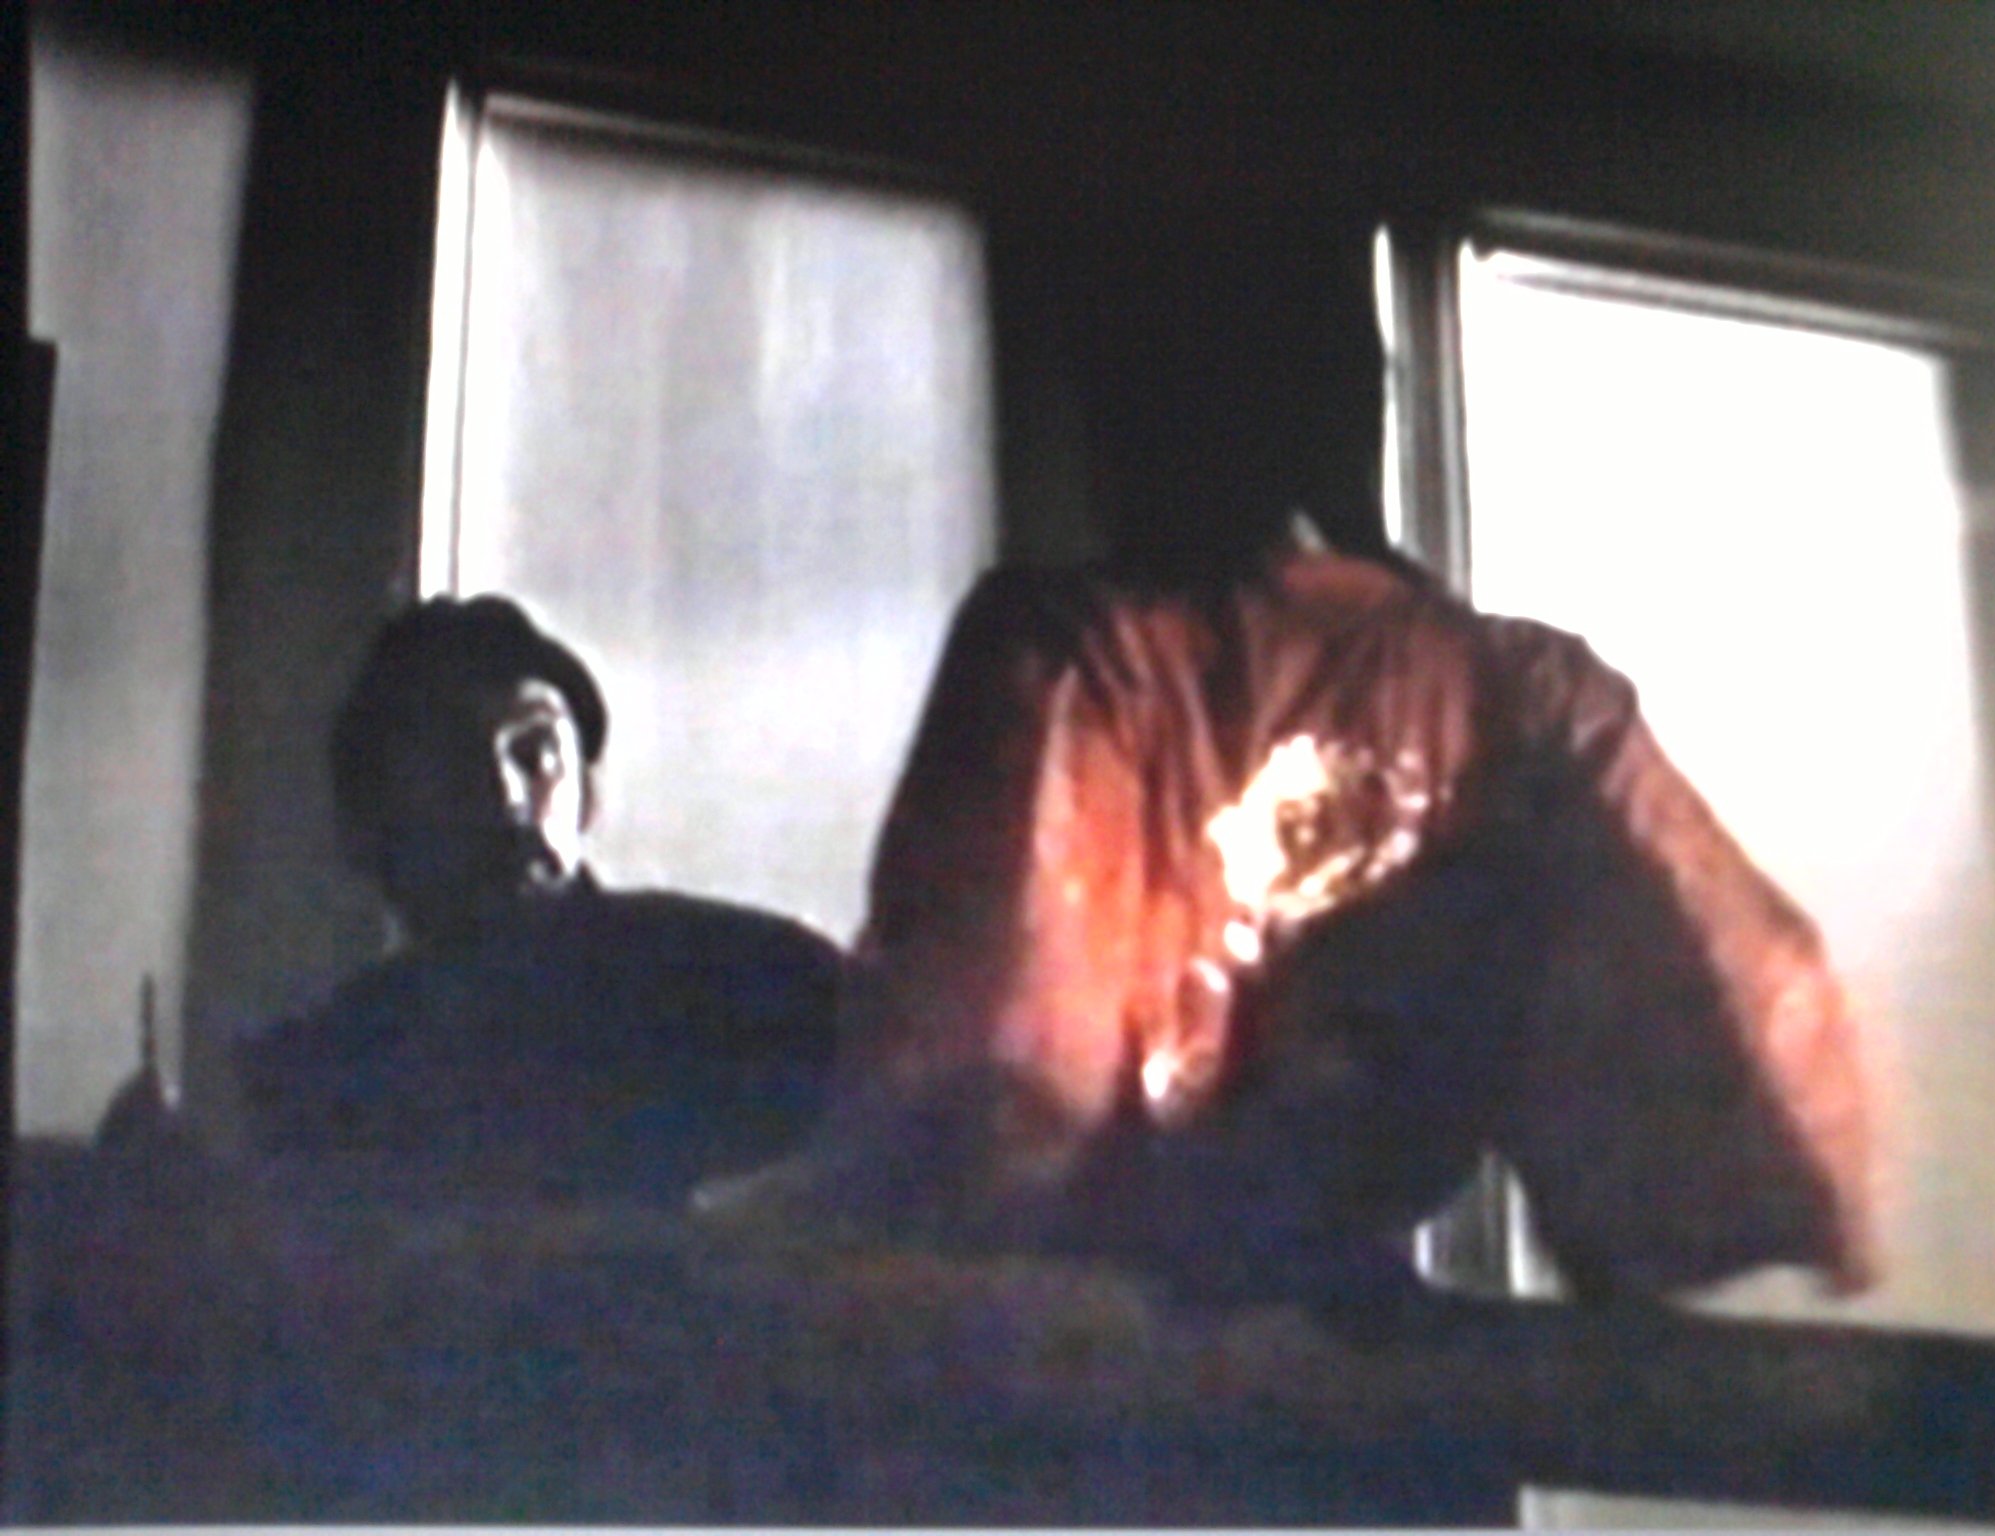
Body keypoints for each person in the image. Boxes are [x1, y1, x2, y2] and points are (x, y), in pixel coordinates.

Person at [697, 219, 1875, 1306]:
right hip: (1378, 1340)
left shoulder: (1075, 653)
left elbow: (1002, 1049)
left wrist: (829, 1219)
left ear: (1136, 398)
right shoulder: (1527, 698)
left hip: (1100, 1346)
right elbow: (1736, 1022)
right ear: (1357, 401)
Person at [233, 595, 842, 1196]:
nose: (506, 795)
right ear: (365, 823)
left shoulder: (756, 989)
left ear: (589, 796)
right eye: (448, 761)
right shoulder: (318, 1079)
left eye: (537, 753)